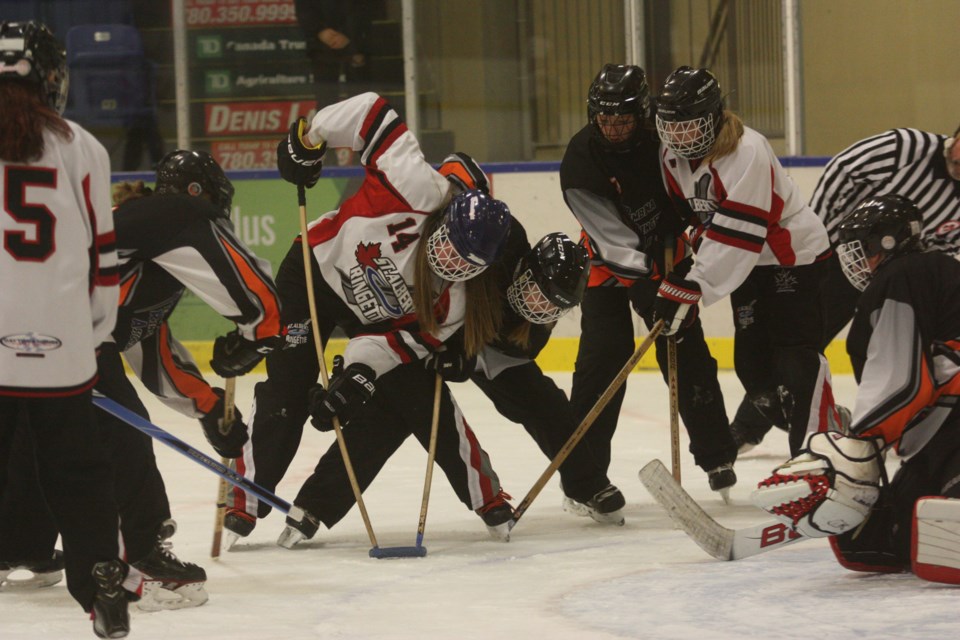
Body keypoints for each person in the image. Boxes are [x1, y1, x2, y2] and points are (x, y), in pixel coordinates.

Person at [223, 92, 516, 547]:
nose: (452, 267)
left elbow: (395, 344)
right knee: (288, 390)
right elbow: (372, 111)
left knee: (411, 398)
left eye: (467, 265)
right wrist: (310, 135)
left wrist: (355, 377)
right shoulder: (416, 187)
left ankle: (482, 495)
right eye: (450, 250)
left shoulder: (456, 303)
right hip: (313, 273)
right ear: (445, 217)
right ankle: (249, 496)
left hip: (371, 321)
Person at [0, 150, 283, 610]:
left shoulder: (134, 242)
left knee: (42, 436)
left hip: (23, 329)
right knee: (123, 429)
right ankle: (140, 558)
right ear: (199, 193)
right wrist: (260, 337)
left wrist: (208, 405)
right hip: (50, 330)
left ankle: (17, 546)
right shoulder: (176, 212)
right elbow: (253, 293)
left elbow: (146, 346)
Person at [0, 20, 138, 638]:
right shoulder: (82, 146)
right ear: (53, 77)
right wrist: (90, 334)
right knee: (78, 471)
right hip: (60, 344)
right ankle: (103, 582)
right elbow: (100, 258)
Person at [752, 194, 960, 585]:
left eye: (861, 249)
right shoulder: (927, 272)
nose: (857, 260)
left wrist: (860, 443)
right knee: (893, 531)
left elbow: (902, 379)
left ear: (887, 243)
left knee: (938, 512)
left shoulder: (903, 274)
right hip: (944, 432)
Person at [560, 63, 737, 495]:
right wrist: (644, 287)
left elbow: (696, 189)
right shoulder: (582, 159)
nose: (614, 129)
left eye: (623, 120)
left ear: (643, 113)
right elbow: (609, 237)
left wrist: (683, 228)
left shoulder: (667, 134)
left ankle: (717, 456)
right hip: (608, 266)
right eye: (605, 120)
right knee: (602, 361)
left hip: (669, 257)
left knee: (687, 350)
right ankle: (583, 479)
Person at [733, 124, 960, 451]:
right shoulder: (907, 146)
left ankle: (893, 423)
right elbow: (843, 168)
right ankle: (747, 427)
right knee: (802, 344)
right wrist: (819, 233)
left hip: (901, 277)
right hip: (848, 257)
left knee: (877, 346)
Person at [652, 66, 837, 457]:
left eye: (689, 125)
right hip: (746, 264)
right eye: (671, 126)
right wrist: (686, 263)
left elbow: (741, 231)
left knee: (794, 358)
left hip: (792, 258)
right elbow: (694, 217)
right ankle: (832, 426)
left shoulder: (747, 151)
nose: (679, 135)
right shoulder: (670, 155)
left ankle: (814, 453)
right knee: (752, 369)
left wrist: (695, 282)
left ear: (714, 115)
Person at [294, 0, 371, 111]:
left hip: (357, 41)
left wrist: (349, 34)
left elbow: (366, 7)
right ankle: (328, 127)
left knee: (359, 98)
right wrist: (320, 30)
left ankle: (358, 126)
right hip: (320, 45)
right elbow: (303, 8)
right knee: (326, 98)